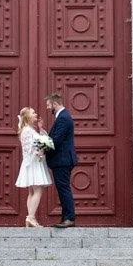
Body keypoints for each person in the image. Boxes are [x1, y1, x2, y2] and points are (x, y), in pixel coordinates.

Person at [15, 106, 52, 227]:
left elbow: (39, 141)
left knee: (31, 192)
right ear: (27, 116)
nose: (36, 114)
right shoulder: (27, 130)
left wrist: (41, 129)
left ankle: (30, 218)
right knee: (38, 190)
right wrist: (39, 150)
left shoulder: (30, 129)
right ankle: (31, 217)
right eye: (33, 113)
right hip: (32, 163)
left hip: (33, 162)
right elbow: (28, 147)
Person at [44, 93, 77, 228]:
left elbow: (56, 140)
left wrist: (41, 149)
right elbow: (55, 137)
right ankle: (65, 218)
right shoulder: (62, 117)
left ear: (55, 104)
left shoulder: (63, 118)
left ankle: (69, 218)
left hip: (62, 160)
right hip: (61, 160)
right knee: (63, 189)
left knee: (64, 189)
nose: (47, 108)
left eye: (48, 105)